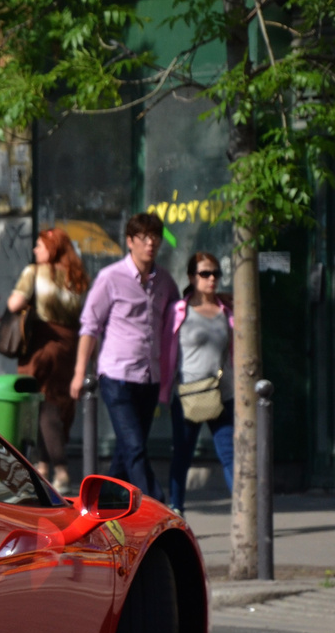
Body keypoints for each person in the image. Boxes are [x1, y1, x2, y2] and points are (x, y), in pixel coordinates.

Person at [70, 212, 181, 498]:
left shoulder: (165, 281)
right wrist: (80, 372)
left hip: (150, 376)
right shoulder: (111, 277)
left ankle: (97, 505)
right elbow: (90, 325)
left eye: (155, 237)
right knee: (135, 447)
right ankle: (159, 507)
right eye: (143, 237)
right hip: (116, 375)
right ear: (130, 241)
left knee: (127, 450)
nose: (150, 243)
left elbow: (179, 312)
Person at [6, 228, 89, 491]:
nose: (35, 250)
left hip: (42, 344)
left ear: (51, 249)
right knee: (58, 405)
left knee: (42, 406)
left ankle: (60, 469)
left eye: (40, 246)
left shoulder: (34, 273)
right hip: (70, 347)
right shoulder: (78, 278)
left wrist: (23, 301)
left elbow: (13, 305)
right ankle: (42, 466)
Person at [162, 252, 235, 514]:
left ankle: (241, 511)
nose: (212, 278)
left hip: (222, 393)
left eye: (216, 273)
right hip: (188, 395)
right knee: (182, 455)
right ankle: (175, 508)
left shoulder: (227, 310)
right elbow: (166, 350)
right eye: (205, 273)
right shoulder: (178, 311)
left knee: (229, 456)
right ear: (192, 277)